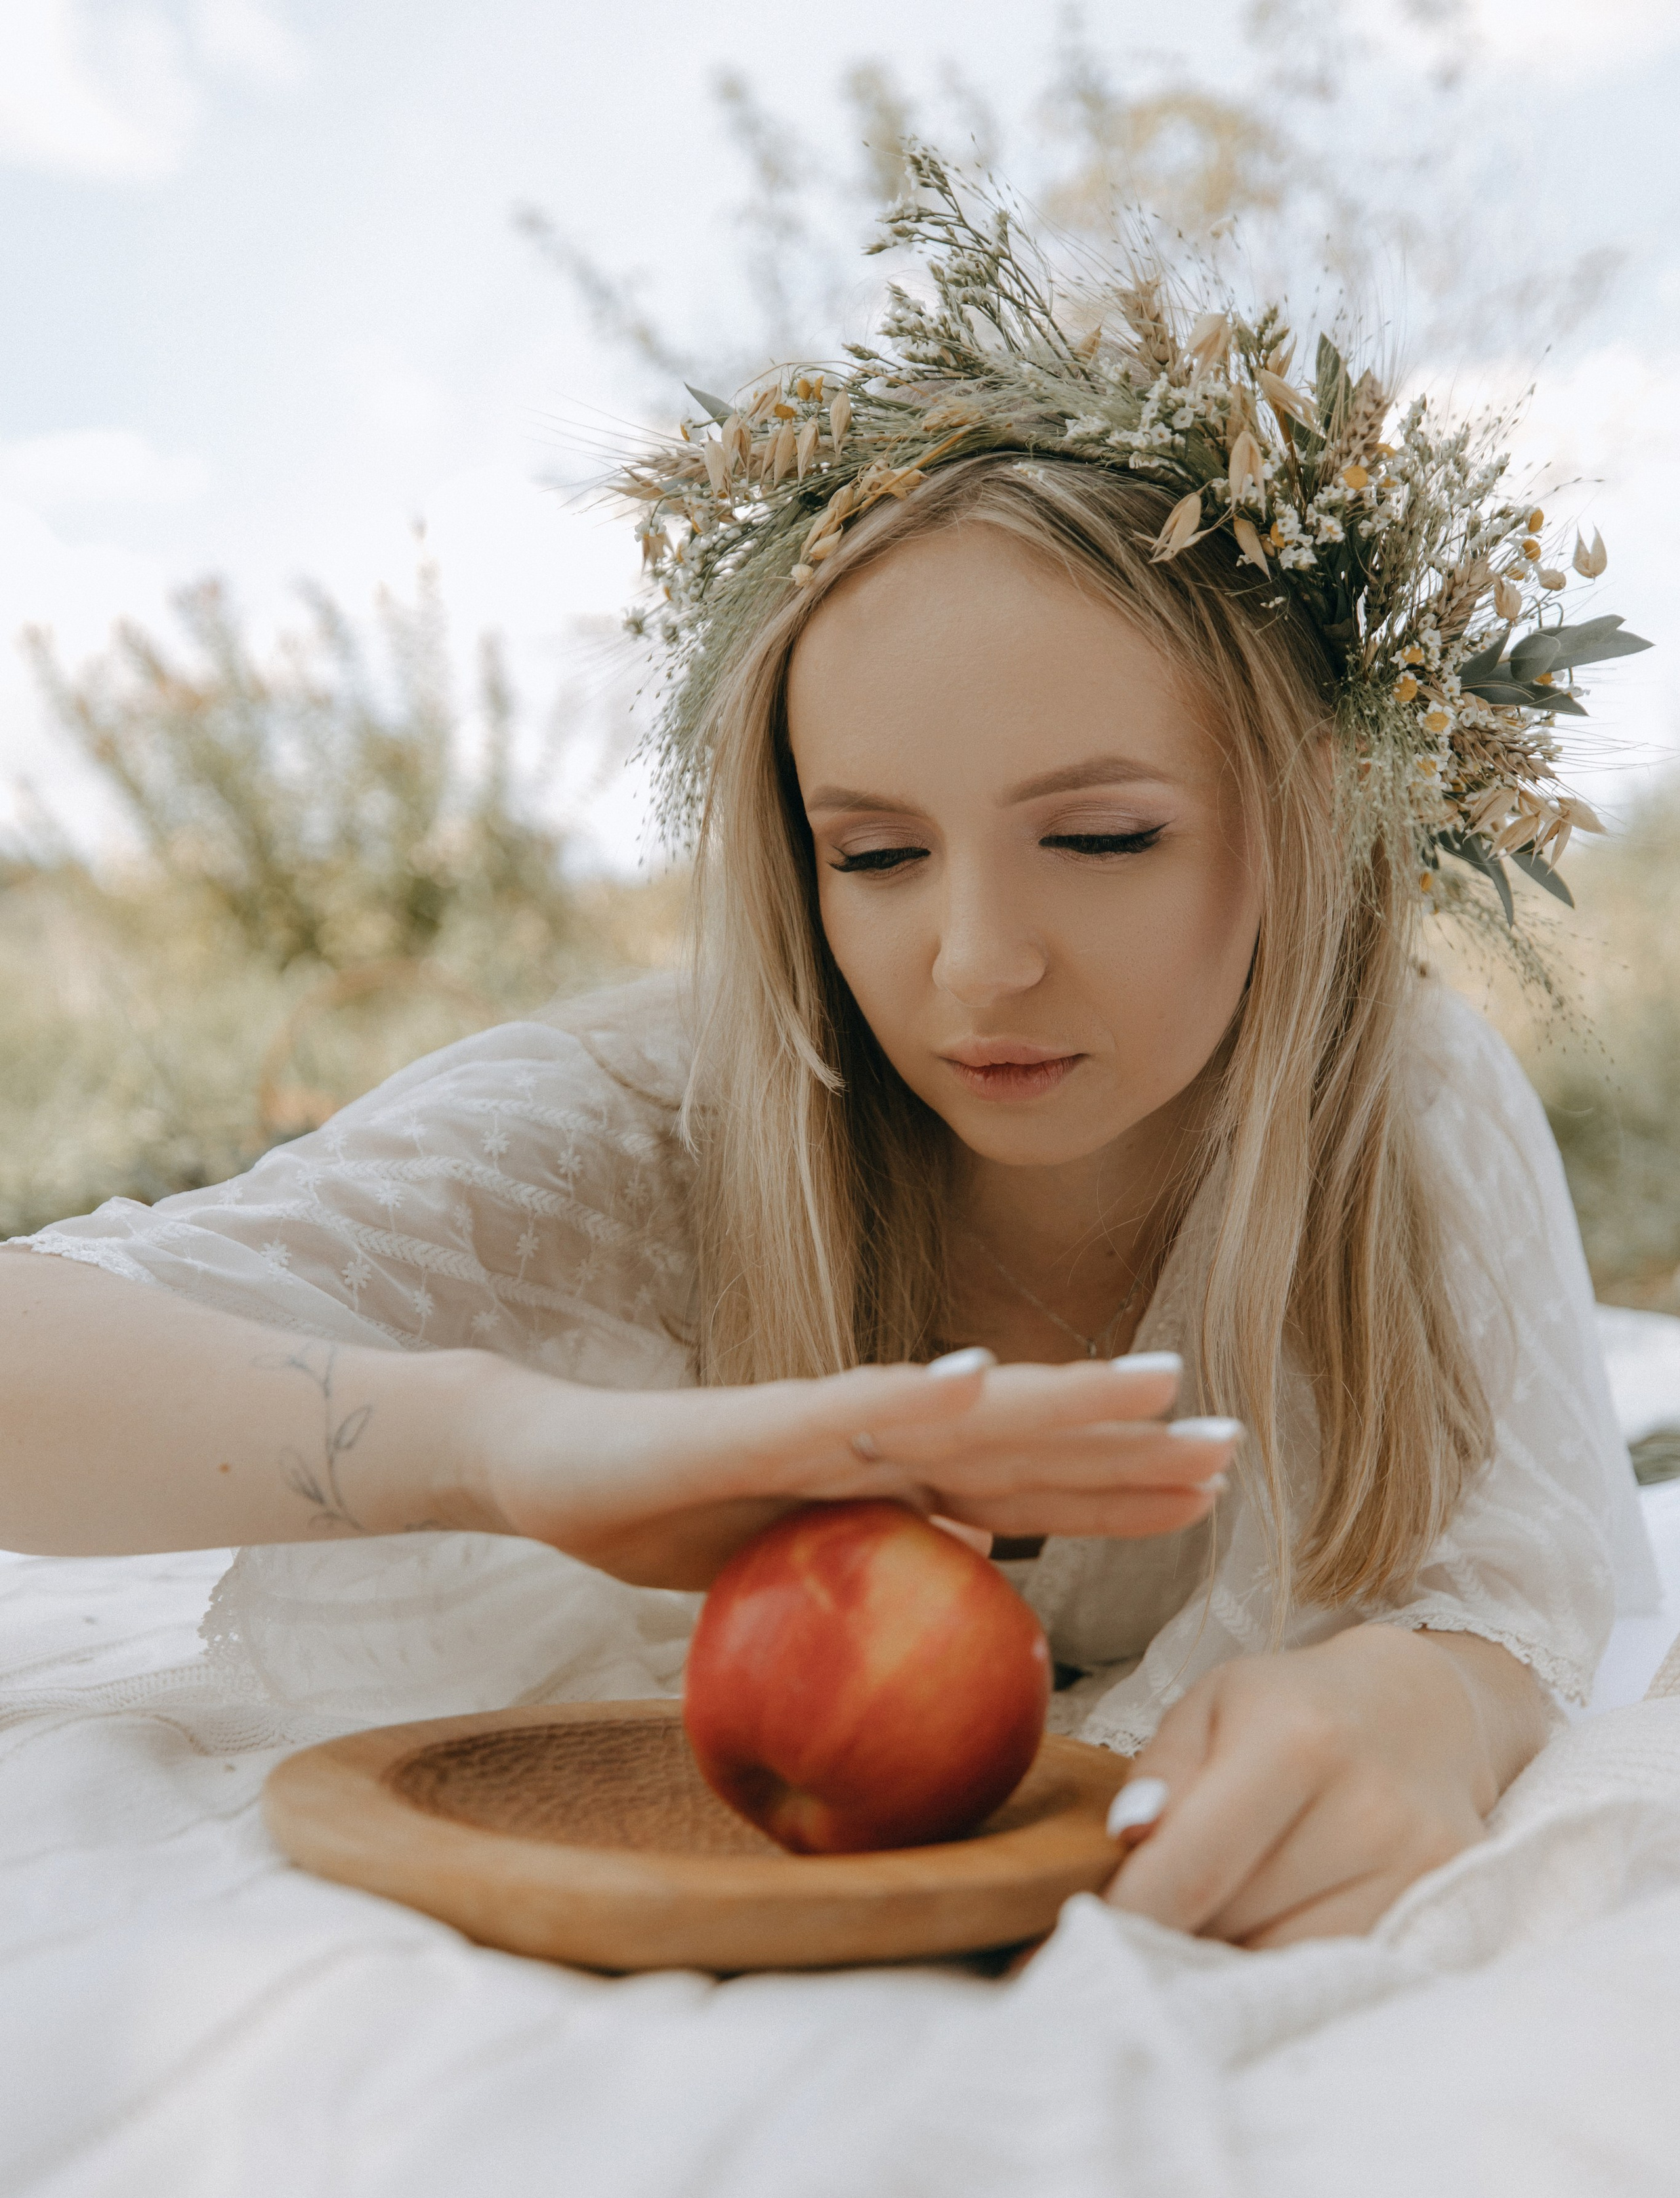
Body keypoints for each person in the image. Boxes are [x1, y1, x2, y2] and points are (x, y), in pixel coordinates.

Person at [0, 160, 1654, 1950]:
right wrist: (500, 1445)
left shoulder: (1399, 1098)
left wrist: (1429, 1703)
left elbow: (1526, 1569)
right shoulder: (643, 1123)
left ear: (1307, 822)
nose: (976, 961)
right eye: (872, 853)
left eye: (1102, 840)